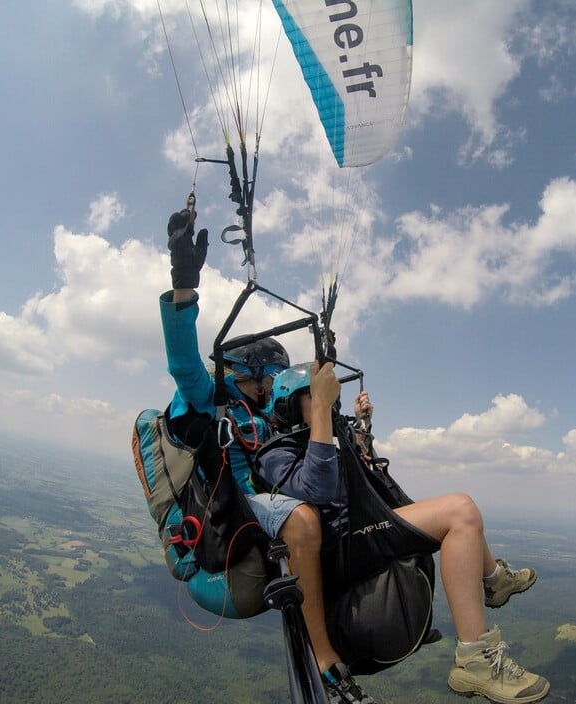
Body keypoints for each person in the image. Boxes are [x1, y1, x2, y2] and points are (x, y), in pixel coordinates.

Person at [161, 206, 369, 702]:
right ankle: (324, 657)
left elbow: (310, 438)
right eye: (268, 378)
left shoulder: (262, 419)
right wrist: (184, 283)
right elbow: (184, 362)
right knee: (302, 519)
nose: (271, 388)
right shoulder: (210, 400)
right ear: (246, 372)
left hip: (257, 505)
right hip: (231, 510)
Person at [258, 361, 550, 704]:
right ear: (290, 407)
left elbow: (358, 464)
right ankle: (476, 657)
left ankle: (495, 580)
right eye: (313, 396)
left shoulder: (324, 441)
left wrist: (360, 422)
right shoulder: (275, 453)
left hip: (362, 531)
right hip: (342, 547)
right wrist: (322, 411)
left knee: (462, 513)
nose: (327, 401)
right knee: (461, 512)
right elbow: (317, 489)